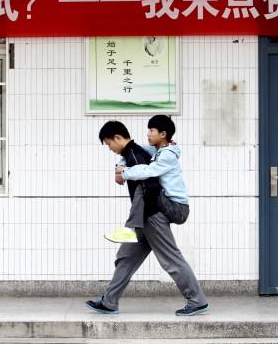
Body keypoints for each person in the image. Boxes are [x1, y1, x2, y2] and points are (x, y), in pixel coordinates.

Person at [85, 120, 210, 316]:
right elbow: (130, 155)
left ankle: (197, 300)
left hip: (152, 216)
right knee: (125, 258)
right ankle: (109, 302)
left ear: (117, 138)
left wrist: (123, 173)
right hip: (145, 218)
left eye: (109, 143)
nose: (109, 148)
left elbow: (150, 185)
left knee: (171, 259)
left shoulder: (139, 155)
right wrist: (120, 166)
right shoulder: (137, 152)